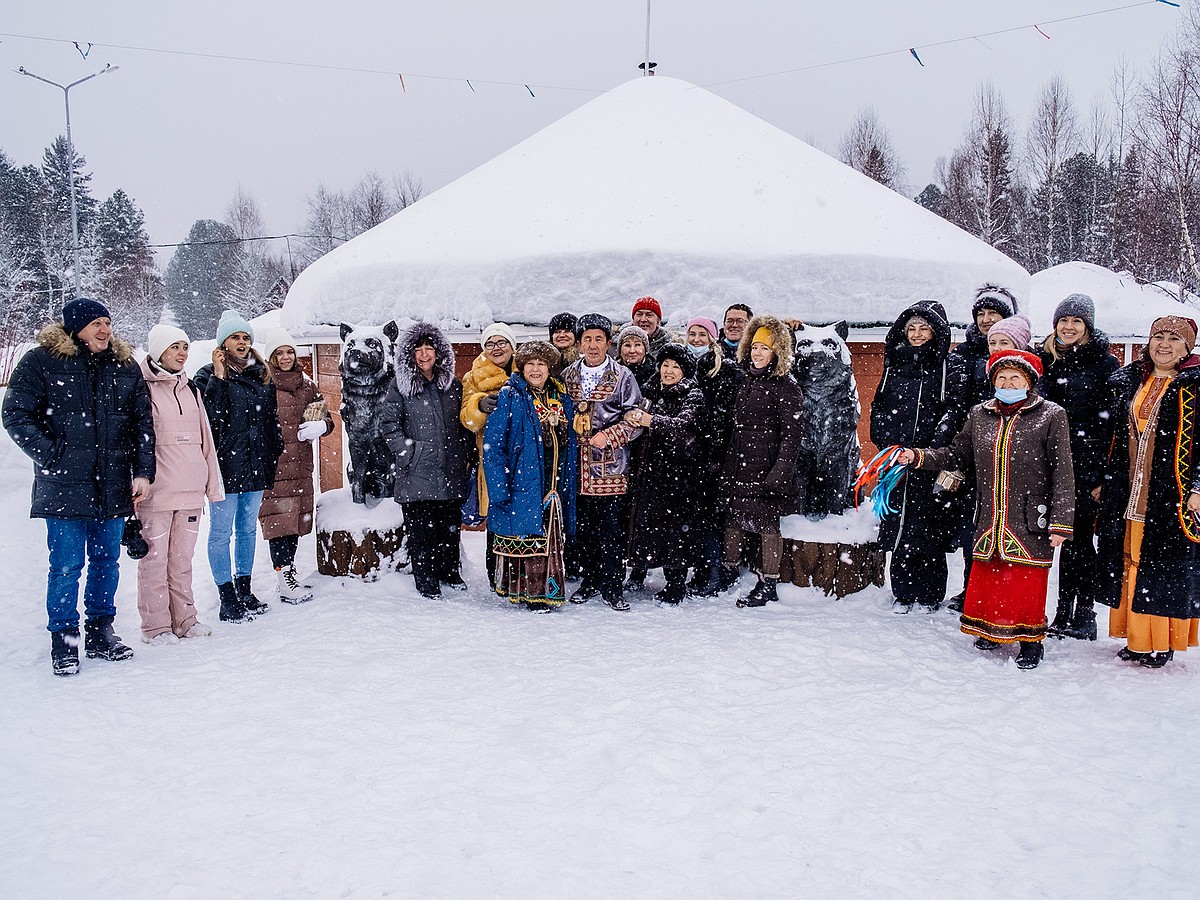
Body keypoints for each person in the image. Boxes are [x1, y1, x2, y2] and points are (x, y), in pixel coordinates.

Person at [2, 298, 155, 675]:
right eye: (96, 324)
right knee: (67, 566)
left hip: (115, 484)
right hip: (64, 486)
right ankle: (65, 642)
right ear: (75, 327)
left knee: (107, 562)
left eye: (107, 322)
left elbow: (142, 424)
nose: (105, 330)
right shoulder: (42, 362)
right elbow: (15, 414)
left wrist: (142, 471)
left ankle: (101, 633)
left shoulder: (124, 366)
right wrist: (53, 455)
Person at [898, 349, 1075, 669]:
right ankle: (992, 630)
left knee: (1026, 582)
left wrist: (1061, 521)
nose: (1008, 383)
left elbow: (1062, 472)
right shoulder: (980, 414)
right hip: (990, 513)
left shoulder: (1051, 415)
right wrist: (918, 457)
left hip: (1028, 514)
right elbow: (956, 455)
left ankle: (1030, 641)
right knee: (992, 578)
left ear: (1030, 381)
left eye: (1015, 378)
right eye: (1002, 377)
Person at [1096, 316, 1200, 668]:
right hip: (1128, 489)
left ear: (1188, 348)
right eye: (1158, 337)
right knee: (1129, 559)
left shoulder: (1194, 387)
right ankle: (1136, 636)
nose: (1164, 345)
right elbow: (1109, 433)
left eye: (1174, 339)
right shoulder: (1129, 382)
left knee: (1161, 565)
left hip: (1170, 492)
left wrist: (1197, 487)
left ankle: (1160, 641)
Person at [870, 301, 969, 613]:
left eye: (923, 328)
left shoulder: (949, 366)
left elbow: (954, 412)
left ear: (935, 331)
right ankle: (902, 591)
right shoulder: (894, 364)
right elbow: (880, 409)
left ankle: (928, 593)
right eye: (911, 328)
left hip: (930, 461)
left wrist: (930, 451)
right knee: (899, 527)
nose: (916, 334)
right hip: (897, 461)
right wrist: (888, 445)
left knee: (928, 529)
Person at [193, 310, 285, 623]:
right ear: (223, 343)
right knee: (221, 532)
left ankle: (244, 588)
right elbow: (210, 420)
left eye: (246, 337)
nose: (242, 342)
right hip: (224, 468)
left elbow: (271, 420)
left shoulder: (261, 374)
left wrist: (275, 452)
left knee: (246, 529)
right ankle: (226, 595)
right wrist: (219, 375)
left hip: (256, 466)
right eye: (236, 337)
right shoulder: (207, 375)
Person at [1037, 294, 1119, 641]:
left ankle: (1083, 612)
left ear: (1087, 327)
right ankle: (1057, 612)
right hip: (1046, 463)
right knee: (1046, 538)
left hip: (1086, 465)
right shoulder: (1043, 360)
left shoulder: (1104, 364)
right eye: (1063, 321)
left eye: (1077, 322)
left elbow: (1114, 423)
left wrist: (1104, 474)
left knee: (1080, 542)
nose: (1068, 327)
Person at [135, 325, 223, 645]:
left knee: (182, 562)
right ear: (158, 351)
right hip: (156, 494)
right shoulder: (141, 387)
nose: (182, 353)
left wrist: (213, 487)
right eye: (175, 347)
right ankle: (156, 626)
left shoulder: (191, 390)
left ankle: (185, 619)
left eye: (185, 347)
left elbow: (206, 441)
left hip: (190, 492)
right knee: (154, 562)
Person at [941, 283, 1022, 612]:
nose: (987, 319)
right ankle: (970, 587)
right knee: (970, 527)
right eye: (982, 314)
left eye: (994, 314)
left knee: (1004, 527)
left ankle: (999, 595)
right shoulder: (962, 354)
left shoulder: (1020, 359)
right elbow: (956, 404)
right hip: (971, 449)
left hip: (1008, 453)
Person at [483, 341, 578, 611]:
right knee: (529, 538)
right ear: (522, 368)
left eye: (541, 364)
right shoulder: (510, 396)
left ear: (550, 369)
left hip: (554, 479)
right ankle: (531, 594)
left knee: (550, 539)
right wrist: (499, 489)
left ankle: (550, 591)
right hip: (523, 480)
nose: (536, 369)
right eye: (530, 365)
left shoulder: (560, 397)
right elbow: (493, 447)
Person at [380, 322, 473, 598]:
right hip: (417, 472)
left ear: (439, 352)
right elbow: (389, 425)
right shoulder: (400, 386)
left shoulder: (453, 385)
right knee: (421, 530)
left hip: (450, 468)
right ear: (409, 354)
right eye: (418, 349)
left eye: (429, 348)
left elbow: (464, 422)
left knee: (449, 525)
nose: (424, 354)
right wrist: (410, 454)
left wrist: (465, 454)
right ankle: (425, 577)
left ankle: (449, 570)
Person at [718, 314, 805, 608]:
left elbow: (792, 437)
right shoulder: (745, 381)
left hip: (766, 469)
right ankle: (728, 572)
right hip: (739, 465)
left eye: (764, 348)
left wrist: (779, 473)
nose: (757, 354)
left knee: (767, 524)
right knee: (734, 518)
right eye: (754, 347)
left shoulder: (786, 386)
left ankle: (769, 583)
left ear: (776, 351)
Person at [561, 313, 645, 611]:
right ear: (579, 344)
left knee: (611, 530)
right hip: (576, 467)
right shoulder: (568, 375)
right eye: (587, 340)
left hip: (610, 466)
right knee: (585, 530)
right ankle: (590, 580)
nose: (593, 345)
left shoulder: (623, 376)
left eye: (599, 339)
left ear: (608, 343)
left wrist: (608, 436)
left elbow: (635, 418)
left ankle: (612, 585)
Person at [624, 344, 708, 603]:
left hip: (679, 475)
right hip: (648, 471)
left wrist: (651, 420)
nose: (668, 371)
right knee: (642, 523)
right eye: (665, 365)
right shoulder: (649, 389)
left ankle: (675, 585)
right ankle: (638, 572)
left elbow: (683, 427)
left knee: (675, 532)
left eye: (675, 366)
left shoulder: (693, 395)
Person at [258, 330, 334, 604]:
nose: (286, 357)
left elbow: (326, 419)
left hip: (301, 466)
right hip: (275, 467)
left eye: (289, 352)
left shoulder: (307, 385)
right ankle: (283, 579)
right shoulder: (263, 384)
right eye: (279, 353)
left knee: (296, 522)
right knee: (279, 523)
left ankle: (289, 573)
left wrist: (321, 426)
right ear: (271, 358)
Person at [685, 315, 743, 594]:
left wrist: (714, 455)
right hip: (687, 456)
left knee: (710, 518)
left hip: (711, 456)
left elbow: (724, 416)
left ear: (712, 337)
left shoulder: (721, 367)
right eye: (692, 334)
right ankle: (701, 570)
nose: (697, 339)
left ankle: (713, 572)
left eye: (702, 335)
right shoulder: (684, 363)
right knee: (694, 517)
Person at [461, 322, 516, 588]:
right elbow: (466, 419)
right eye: (490, 344)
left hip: (523, 455)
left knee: (523, 516)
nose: (496, 349)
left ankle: (522, 575)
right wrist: (478, 405)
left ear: (512, 346)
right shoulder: (473, 377)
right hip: (492, 458)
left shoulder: (529, 368)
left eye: (501, 342)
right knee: (496, 516)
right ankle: (498, 577)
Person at [627, 296, 676, 360]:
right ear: (633, 320)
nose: (643, 319)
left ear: (658, 321)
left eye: (649, 315)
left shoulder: (671, 346)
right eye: (639, 314)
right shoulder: (616, 343)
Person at [615, 324, 657, 390]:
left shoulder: (656, 374)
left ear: (645, 349)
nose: (632, 351)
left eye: (637, 345)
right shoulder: (611, 373)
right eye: (627, 345)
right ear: (620, 350)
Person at [548, 312, 579, 378]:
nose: (562, 335)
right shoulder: (544, 359)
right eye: (557, 332)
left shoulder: (585, 358)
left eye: (567, 331)